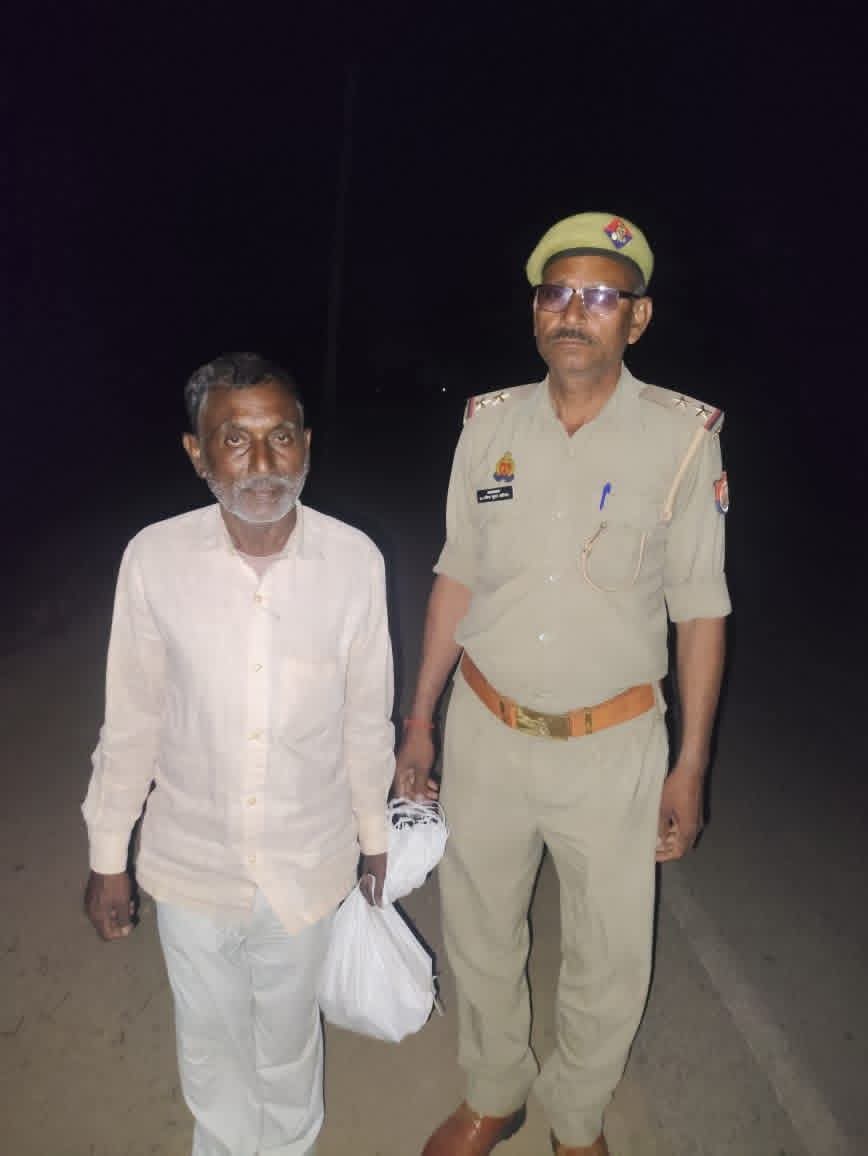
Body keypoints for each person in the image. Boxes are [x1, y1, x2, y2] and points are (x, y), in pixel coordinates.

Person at [395, 213, 731, 1156]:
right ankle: (493, 1091)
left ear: (638, 317)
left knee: (609, 949)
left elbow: (701, 607)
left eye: (599, 297)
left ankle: (577, 1117)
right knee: (479, 929)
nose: (572, 312)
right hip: (487, 727)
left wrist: (691, 764)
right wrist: (419, 719)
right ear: (535, 310)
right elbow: (456, 573)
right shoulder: (489, 426)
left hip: (614, 746)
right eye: (556, 293)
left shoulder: (682, 437)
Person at [82, 352, 395, 1156]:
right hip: (192, 861)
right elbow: (132, 719)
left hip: (305, 859)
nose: (262, 463)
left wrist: (375, 838)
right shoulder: (154, 559)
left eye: (280, 437)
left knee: (288, 1042)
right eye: (234, 439)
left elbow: (367, 720)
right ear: (197, 453)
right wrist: (109, 856)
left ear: (306, 445)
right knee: (210, 1042)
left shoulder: (353, 562)